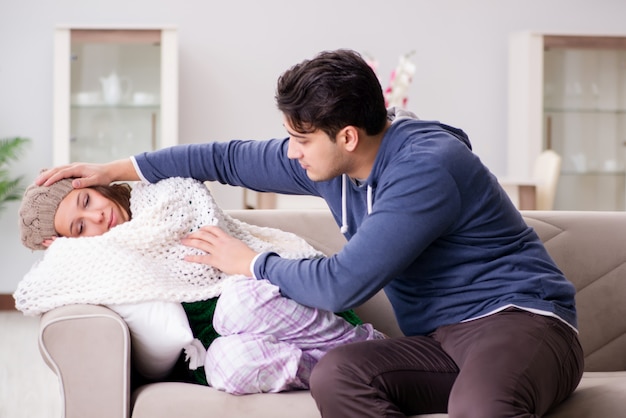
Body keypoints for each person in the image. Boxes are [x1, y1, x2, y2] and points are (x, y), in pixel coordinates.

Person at [37, 49, 583, 417]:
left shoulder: (425, 168)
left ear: (347, 135)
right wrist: (112, 171)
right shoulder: (335, 160)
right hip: (440, 342)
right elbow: (223, 158)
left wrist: (247, 261)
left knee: (482, 405)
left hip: (520, 325)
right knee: (340, 375)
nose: (291, 153)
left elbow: (341, 285)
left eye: (300, 139)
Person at [16, 174, 384, 394]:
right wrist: (59, 244)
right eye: (80, 227)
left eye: (86, 200)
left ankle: (367, 350)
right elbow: (36, 287)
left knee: (235, 305)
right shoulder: (97, 259)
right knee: (228, 364)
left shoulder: (167, 199)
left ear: (95, 186)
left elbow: (213, 237)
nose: (96, 215)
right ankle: (342, 375)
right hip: (216, 348)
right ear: (66, 243)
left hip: (267, 302)